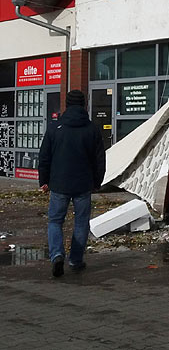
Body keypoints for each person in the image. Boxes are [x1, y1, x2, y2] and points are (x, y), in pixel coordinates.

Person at [38, 90, 106, 277]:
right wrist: (97, 182)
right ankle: (76, 260)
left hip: (59, 184)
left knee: (55, 221)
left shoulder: (54, 128)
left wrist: (44, 180)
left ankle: (57, 255)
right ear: (85, 105)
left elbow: (44, 156)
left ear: (66, 105)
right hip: (83, 184)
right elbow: (99, 159)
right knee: (81, 222)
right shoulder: (92, 129)